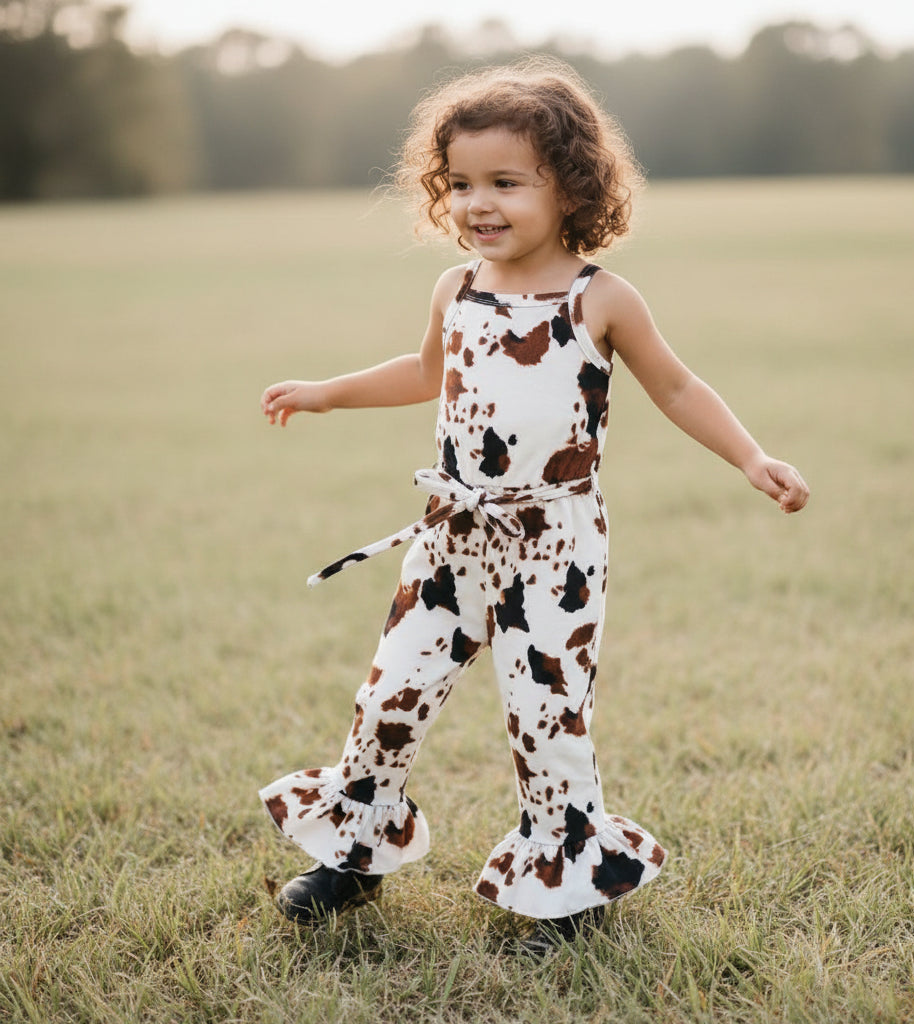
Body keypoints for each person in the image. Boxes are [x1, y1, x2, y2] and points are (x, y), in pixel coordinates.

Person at [257, 57, 809, 955]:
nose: (480, 204)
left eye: (506, 183)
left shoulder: (601, 300)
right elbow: (426, 372)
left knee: (546, 717)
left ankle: (567, 888)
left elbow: (676, 387)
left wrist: (751, 456)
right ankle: (352, 856)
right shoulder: (458, 287)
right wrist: (326, 390)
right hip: (450, 543)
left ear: (571, 188)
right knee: (390, 695)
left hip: (554, 548)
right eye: (462, 184)